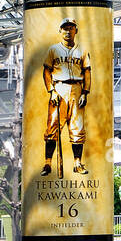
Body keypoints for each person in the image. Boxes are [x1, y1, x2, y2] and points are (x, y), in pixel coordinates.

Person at [41, 17, 92, 176]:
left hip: (76, 88)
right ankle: (48, 163)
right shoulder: (53, 49)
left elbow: (87, 72)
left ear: (76, 30)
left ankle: (77, 163)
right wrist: (52, 91)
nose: (67, 31)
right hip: (59, 88)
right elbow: (47, 71)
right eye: (65, 28)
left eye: (71, 28)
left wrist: (85, 92)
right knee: (53, 127)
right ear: (60, 31)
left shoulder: (82, 50)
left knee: (77, 128)